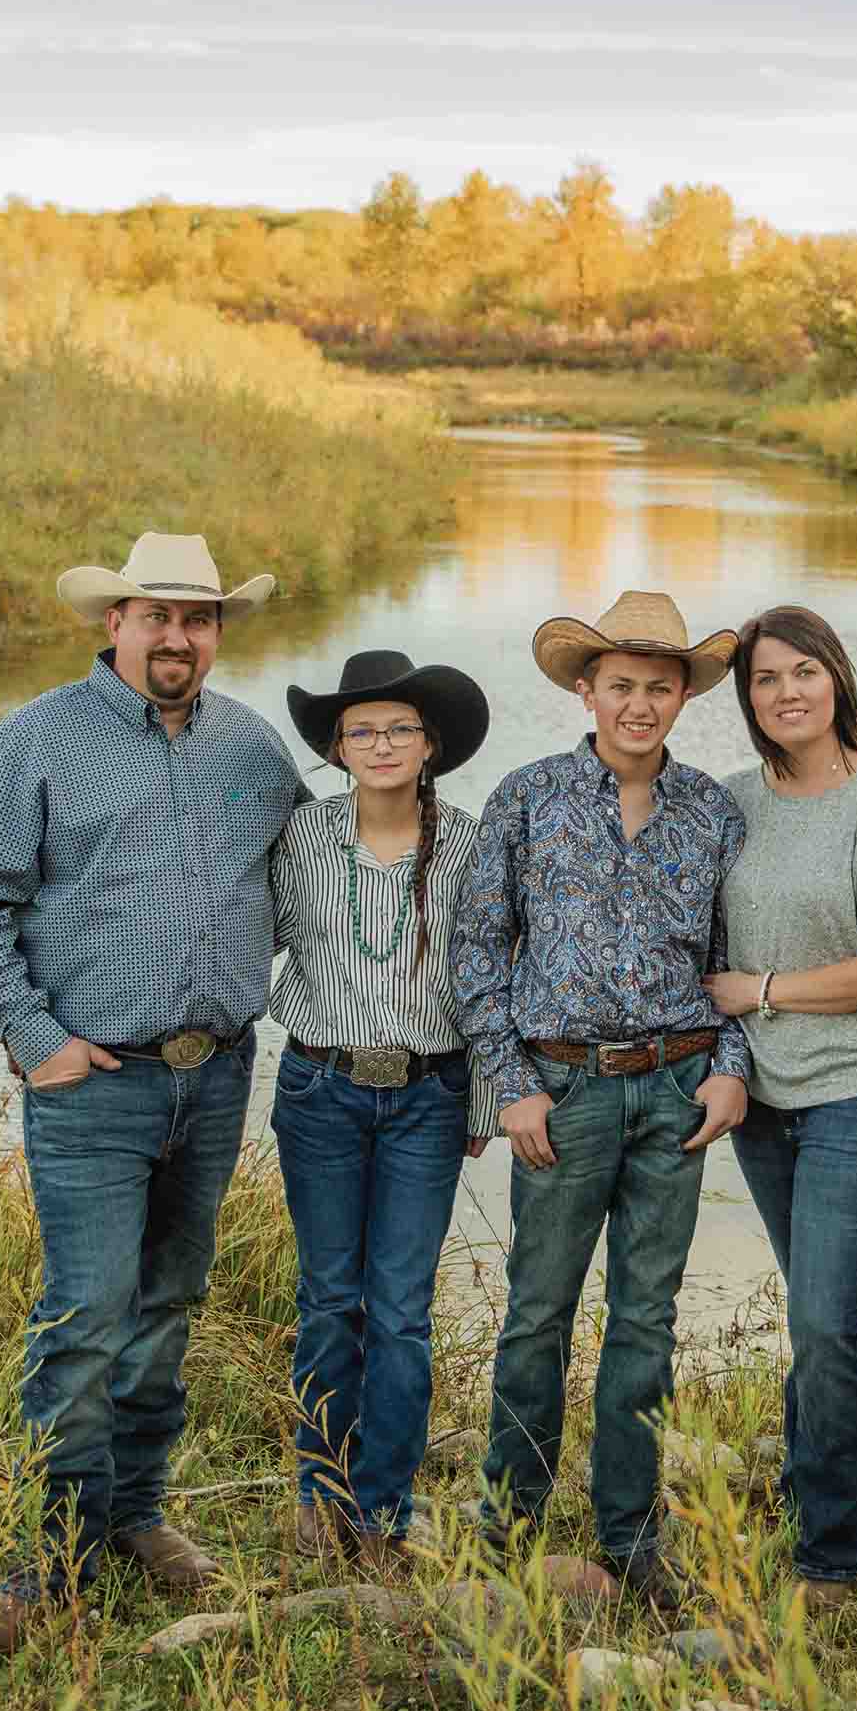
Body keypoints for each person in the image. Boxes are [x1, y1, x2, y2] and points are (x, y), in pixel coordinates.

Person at [0, 532, 305, 1660]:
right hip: (94, 1084)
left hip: (217, 1070)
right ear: (115, 623)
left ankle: (135, 1513)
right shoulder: (34, 739)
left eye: (198, 618)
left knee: (168, 1306)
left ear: (217, 631)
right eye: (157, 615)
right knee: (87, 1315)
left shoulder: (253, 746)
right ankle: (49, 1557)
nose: (178, 636)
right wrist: (33, 1037)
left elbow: (305, 880)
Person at [452, 589, 751, 1611]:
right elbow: (478, 951)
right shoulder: (527, 797)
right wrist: (509, 1086)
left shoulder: (713, 810)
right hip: (561, 1090)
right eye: (619, 684)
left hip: (676, 1087)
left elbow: (736, 960)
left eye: (658, 688)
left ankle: (632, 1539)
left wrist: (731, 1068)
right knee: (536, 1315)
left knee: (646, 1321)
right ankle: (507, 1525)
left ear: (682, 697)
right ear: (585, 688)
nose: (638, 703)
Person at [700, 604, 857, 1611]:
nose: (787, 691)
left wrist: (760, 991)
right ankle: (810, 1494)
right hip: (767, 1099)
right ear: (747, 698)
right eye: (765, 678)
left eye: (804, 670)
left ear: (836, 678)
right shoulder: (726, 802)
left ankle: (831, 1562)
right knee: (813, 1317)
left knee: (822, 1315)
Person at [268, 650, 494, 1570]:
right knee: (331, 1300)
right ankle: (320, 1493)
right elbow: (247, 931)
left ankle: (384, 1511)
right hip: (320, 1088)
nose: (382, 743)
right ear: (336, 747)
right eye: (362, 729)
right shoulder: (300, 837)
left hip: (426, 1096)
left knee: (400, 1308)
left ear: (432, 743)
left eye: (401, 727)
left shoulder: (474, 843)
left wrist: (484, 1092)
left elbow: (490, 977)